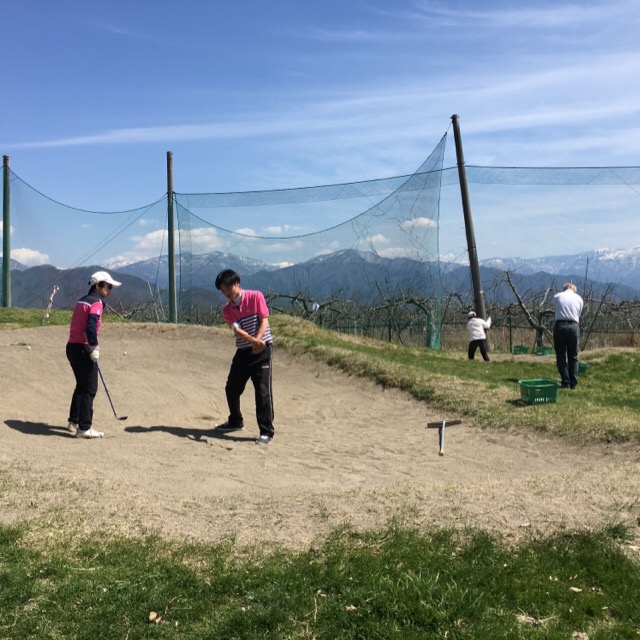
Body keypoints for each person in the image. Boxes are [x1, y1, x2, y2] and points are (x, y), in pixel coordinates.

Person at [215, 269, 275, 445]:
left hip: (263, 351)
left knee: (262, 392)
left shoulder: (256, 297)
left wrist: (258, 341)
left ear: (237, 283)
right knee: (231, 388)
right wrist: (253, 342)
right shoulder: (227, 309)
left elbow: (264, 320)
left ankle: (266, 431)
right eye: (223, 291)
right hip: (243, 352)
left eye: (228, 288)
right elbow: (237, 330)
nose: (226, 293)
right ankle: (235, 420)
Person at [66, 271, 121, 438]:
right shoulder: (97, 302)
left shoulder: (81, 300)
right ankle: (84, 428)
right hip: (84, 348)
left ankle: (74, 421)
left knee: (81, 385)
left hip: (72, 347)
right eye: (108, 286)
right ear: (97, 285)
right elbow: (90, 327)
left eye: (111, 287)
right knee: (90, 388)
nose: (110, 290)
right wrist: (94, 347)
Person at [553, 282, 584, 389]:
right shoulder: (579, 299)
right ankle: (573, 382)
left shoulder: (557, 296)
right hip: (573, 326)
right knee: (573, 356)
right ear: (574, 290)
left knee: (561, 355)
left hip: (560, 325)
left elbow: (556, 309)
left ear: (564, 289)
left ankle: (565, 381)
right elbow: (578, 314)